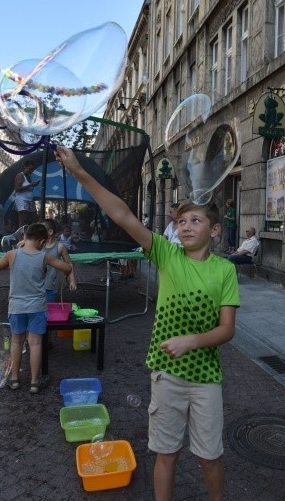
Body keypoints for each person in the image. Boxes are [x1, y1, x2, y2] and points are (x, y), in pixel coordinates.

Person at [55, 146, 239, 501]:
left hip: (206, 380)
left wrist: (191, 341)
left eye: (195, 220)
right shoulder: (166, 254)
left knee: (209, 457)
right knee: (166, 453)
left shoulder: (225, 270)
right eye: (181, 221)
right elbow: (122, 214)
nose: (185, 226)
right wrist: (80, 172)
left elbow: (226, 330)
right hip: (166, 374)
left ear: (215, 230)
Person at [0, 223, 72, 393]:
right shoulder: (45, 257)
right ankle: (34, 383)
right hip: (37, 306)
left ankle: (14, 380)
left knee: (16, 341)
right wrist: (66, 273)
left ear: (24, 238)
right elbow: (68, 267)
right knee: (35, 344)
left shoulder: (12, 254)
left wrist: (11, 254)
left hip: (16, 306)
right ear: (42, 241)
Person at [41, 219, 77, 303]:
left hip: (50, 286)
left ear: (50, 232)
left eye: (40, 230)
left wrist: (72, 280)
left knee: (48, 311)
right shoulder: (37, 244)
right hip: (35, 287)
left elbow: (69, 264)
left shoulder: (60, 247)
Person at [14, 161, 39, 227]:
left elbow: (28, 188)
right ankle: (20, 236)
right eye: (30, 169)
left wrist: (33, 185)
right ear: (25, 167)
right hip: (22, 200)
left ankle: (30, 234)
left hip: (30, 200)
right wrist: (30, 185)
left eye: (33, 169)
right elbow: (17, 189)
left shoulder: (29, 176)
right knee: (23, 220)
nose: (31, 171)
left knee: (35, 219)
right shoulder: (20, 175)